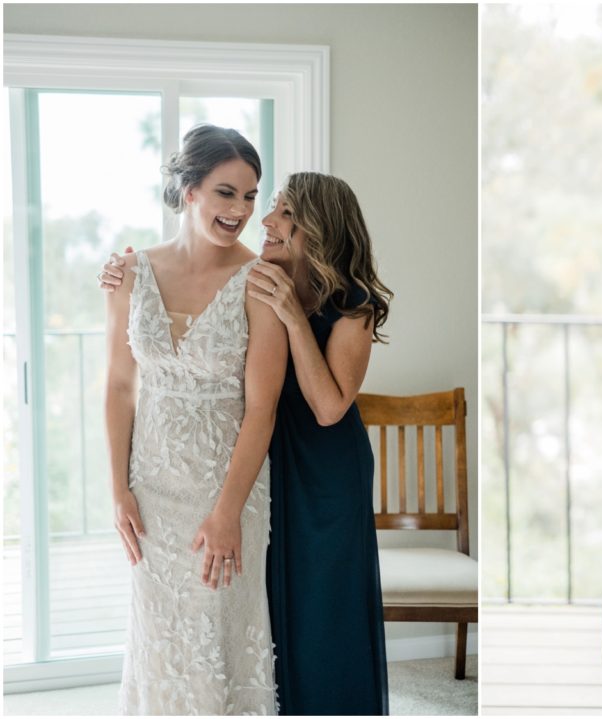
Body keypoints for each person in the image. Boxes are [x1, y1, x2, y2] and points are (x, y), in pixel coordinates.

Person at [100, 172, 392, 715]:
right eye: (270, 207)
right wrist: (125, 268)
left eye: (281, 213)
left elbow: (330, 407)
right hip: (269, 460)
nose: (266, 221)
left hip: (327, 470)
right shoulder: (261, 277)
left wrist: (291, 316)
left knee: (324, 608)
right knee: (272, 606)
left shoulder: (354, 304)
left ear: (315, 228)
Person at [104, 124, 287, 714]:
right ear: (189, 191)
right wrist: (118, 491)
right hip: (151, 489)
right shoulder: (130, 273)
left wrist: (229, 512)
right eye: (226, 192)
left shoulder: (261, 281)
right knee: (157, 639)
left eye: (251, 195)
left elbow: (262, 408)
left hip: (226, 487)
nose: (241, 209)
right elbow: (118, 385)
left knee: (218, 638)